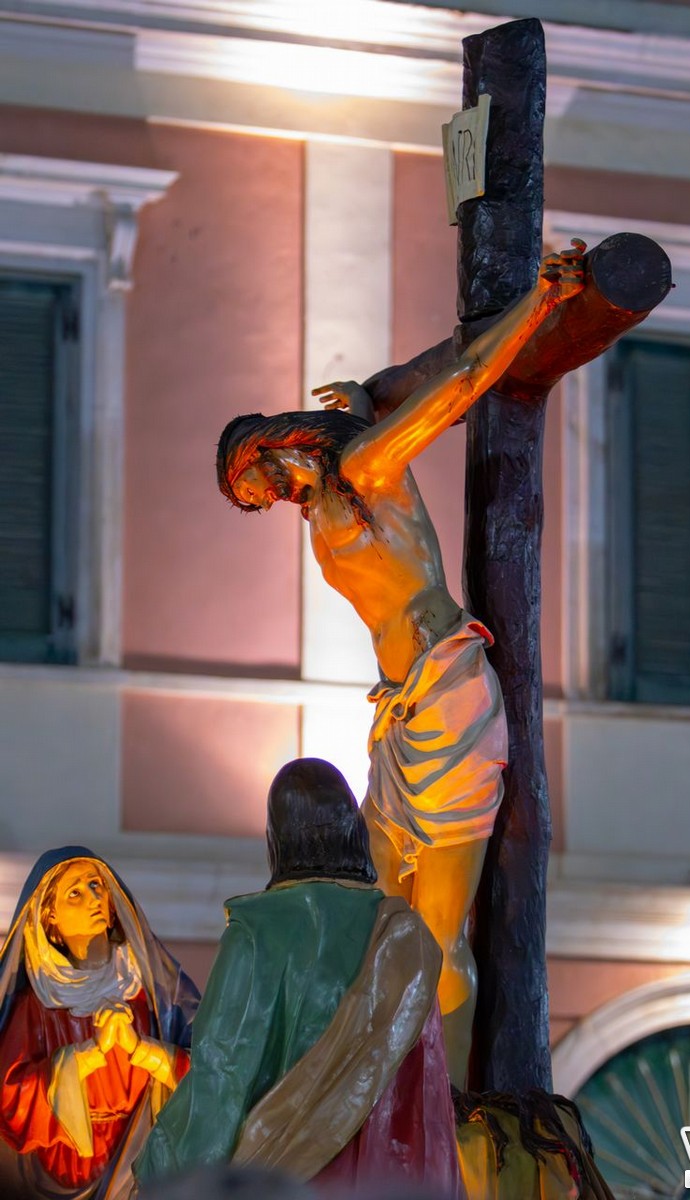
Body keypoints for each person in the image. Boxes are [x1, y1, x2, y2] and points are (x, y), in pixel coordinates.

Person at [216, 242, 586, 1082]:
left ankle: (448, 1107)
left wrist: (536, 302)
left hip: (449, 697)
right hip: (399, 711)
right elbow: (356, 423)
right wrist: (352, 401)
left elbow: (460, 384)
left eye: (263, 483)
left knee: (439, 933)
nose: (273, 500)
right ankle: (386, 1089)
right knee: (382, 923)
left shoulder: (367, 467)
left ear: (273, 449)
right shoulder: (329, 493)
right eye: (260, 501)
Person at [133, 758, 462, 1196]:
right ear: (353, 831)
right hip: (387, 1181)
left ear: (278, 839)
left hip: (282, 1181)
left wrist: (161, 1171)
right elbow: (427, 1098)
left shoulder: (258, 932)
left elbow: (222, 1073)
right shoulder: (407, 940)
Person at [0, 846, 199, 1199]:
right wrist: (90, 1054)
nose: (93, 897)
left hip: (140, 1161)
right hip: (60, 1171)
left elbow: (211, 1069)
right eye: (74, 893)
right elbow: (11, 1099)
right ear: (50, 917)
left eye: (96, 885)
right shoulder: (38, 1003)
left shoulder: (152, 992)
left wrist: (143, 1050)